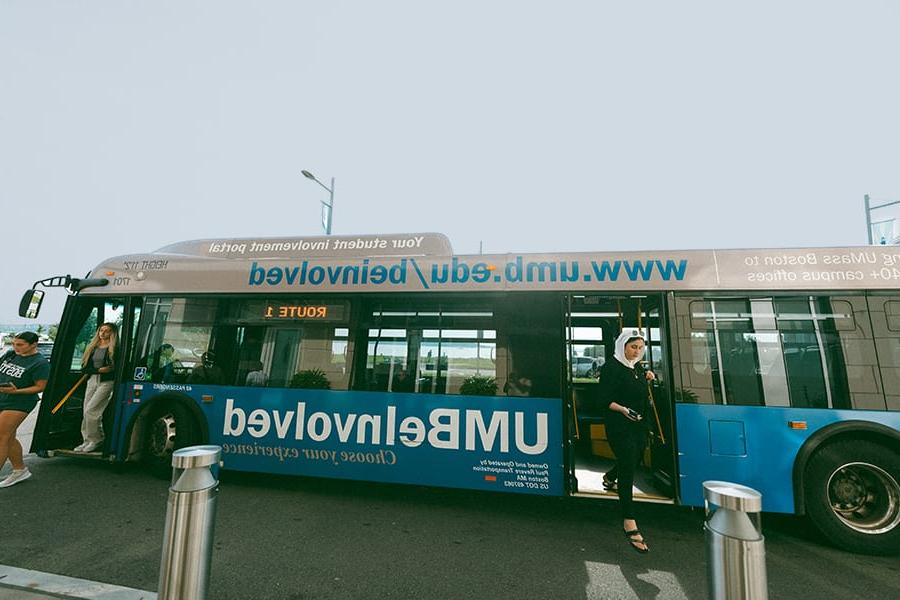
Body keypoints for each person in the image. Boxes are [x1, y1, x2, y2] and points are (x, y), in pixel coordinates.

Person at [597, 328, 656, 554]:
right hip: (619, 425)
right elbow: (603, 400)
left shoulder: (637, 368)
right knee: (629, 465)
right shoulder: (611, 368)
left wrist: (650, 376)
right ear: (622, 346)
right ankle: (629, 520)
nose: (636, 352)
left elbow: (638, 386)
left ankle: (610, 476)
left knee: (635, 457)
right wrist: (623, 410)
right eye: (633, 347)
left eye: (640, 348)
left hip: (639, 425)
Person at [0, 332, 50, 488]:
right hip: (3, 396)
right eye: (14, 343)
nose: (16, 347)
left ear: (33, 344)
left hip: (20, 402)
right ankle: (20, 470)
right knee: (9, 436)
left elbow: (41, 387)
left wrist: (16, 391)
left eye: (20, 345)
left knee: (2, 436)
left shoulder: (40, 363)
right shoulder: (10, 354)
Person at [74, 323, 118, 453]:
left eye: (107, 331)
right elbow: (85, 368)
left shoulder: (115, 349)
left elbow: (116, 368)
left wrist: (103, 371)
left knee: (92, 411)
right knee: (85, 411)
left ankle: (96, 439)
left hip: (107, 382)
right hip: (93, 379)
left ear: (112, 334)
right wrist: (99, 370)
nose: (103, 333)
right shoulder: (92, 347)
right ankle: (87, 440)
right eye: (101, 330)